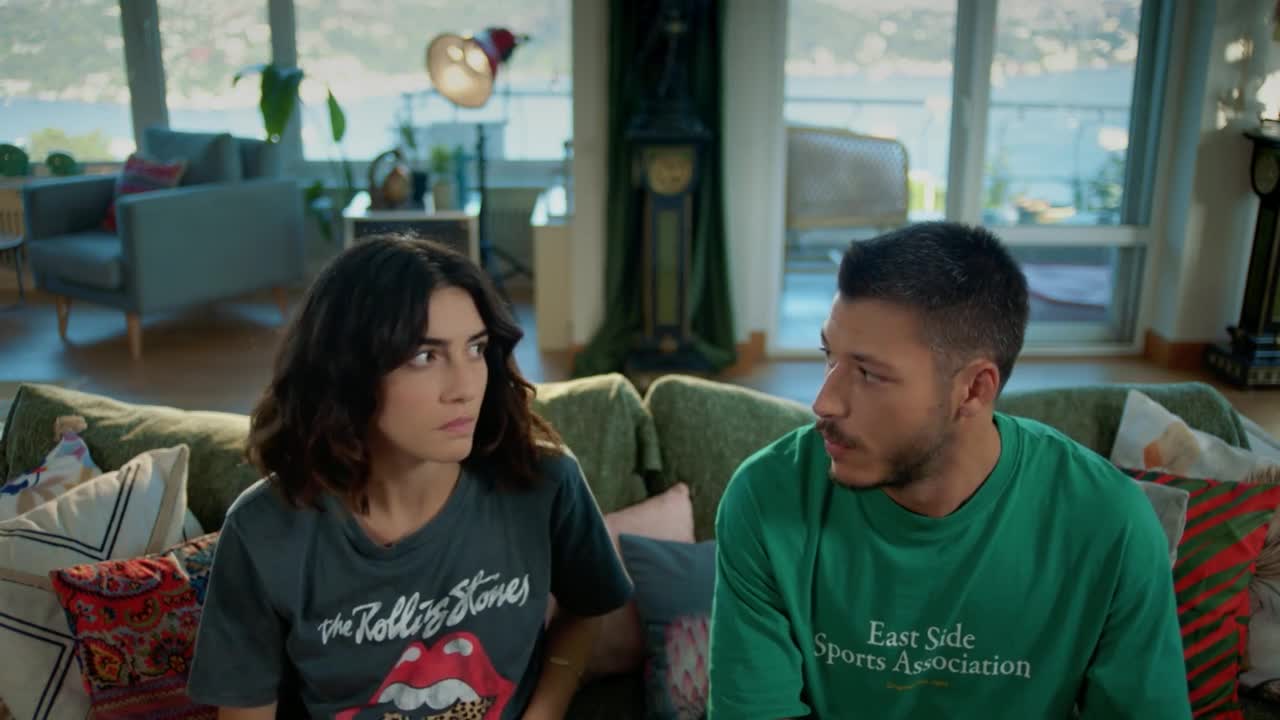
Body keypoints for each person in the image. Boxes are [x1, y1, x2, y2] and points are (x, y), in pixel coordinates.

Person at [707, 222, 1189, 719]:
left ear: (974, 390)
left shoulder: (1110, 524)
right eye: (829, 356)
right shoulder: (766, 496)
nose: (824, 401)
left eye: (869, 374)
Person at [187, 235, 632, 719]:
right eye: (425, 356)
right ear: (346, 370)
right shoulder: (264, 531)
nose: (464, 387)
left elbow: (588, 608)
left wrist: (544, 712)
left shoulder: (544, 483)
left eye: (476, 348)